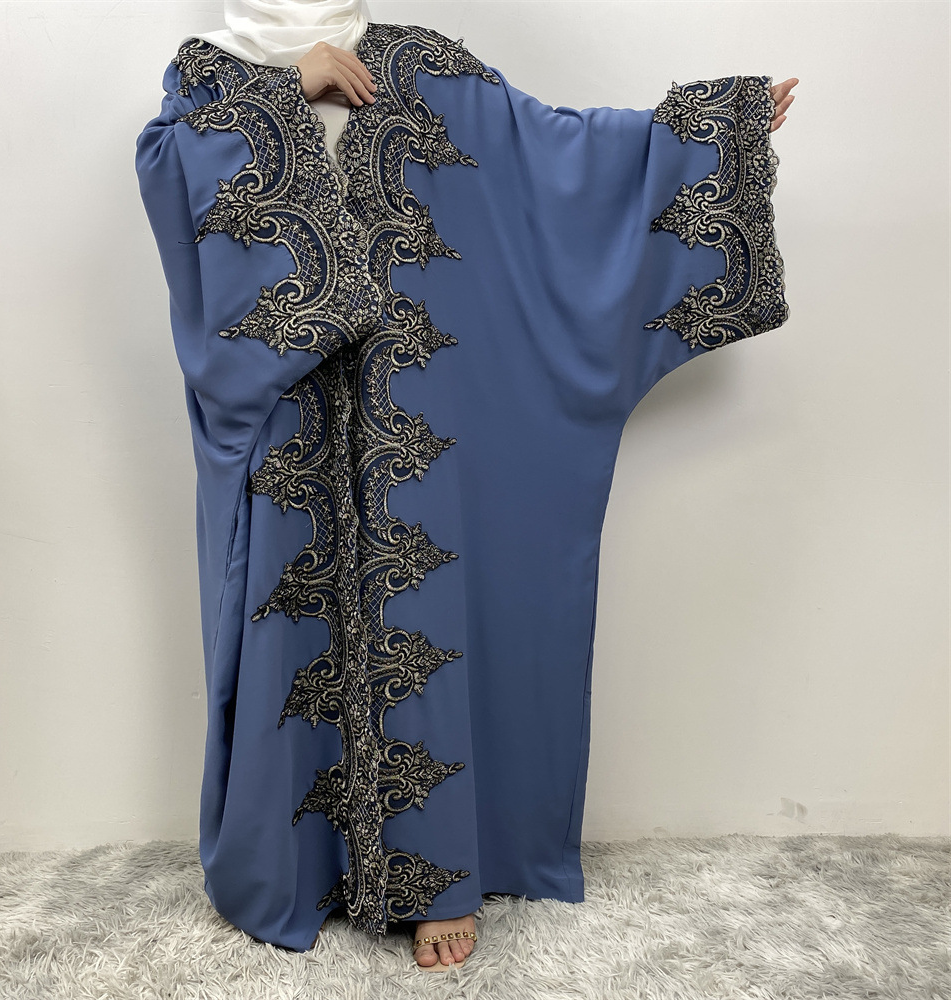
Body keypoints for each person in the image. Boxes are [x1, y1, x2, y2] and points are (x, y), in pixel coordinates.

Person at [135, 0, 797, 972]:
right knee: (290, 615)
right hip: (285, 415)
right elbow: (171, 186)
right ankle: (299, 864)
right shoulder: (210, 74)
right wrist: (285, 94)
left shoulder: (417, 64)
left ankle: (436, 874)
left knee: (419, 615)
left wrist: (708, 136)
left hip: (413, 408)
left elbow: (557, 160)